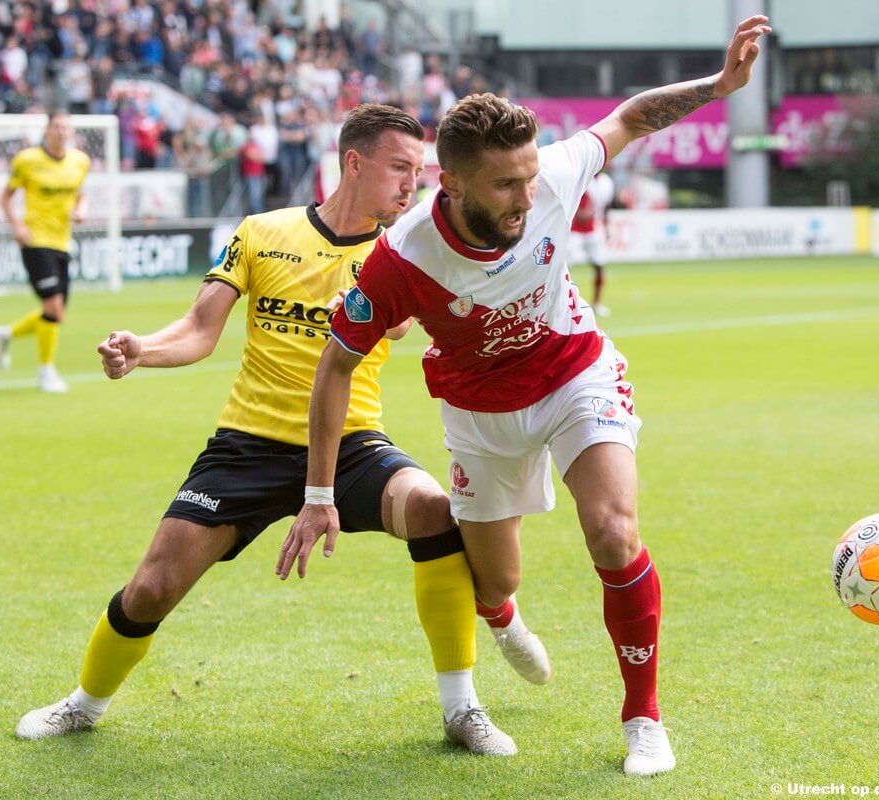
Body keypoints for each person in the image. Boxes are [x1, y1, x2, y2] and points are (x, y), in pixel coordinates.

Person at [282, 16, 772, 777]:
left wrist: (721, 86)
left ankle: (643, 716)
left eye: (529, 176)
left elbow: (632, 116)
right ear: (453, 182)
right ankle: (499, 613)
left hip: (575, 373)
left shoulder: (551, 173)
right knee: (498, 578)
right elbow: (335, 367)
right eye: (505, 185)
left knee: (613, 531)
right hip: (480, 413)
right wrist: (318, 493)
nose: (526, 195)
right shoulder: (399, 260)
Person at [14, 105, 548, 756]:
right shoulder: (261, 232)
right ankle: (83, 704)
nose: (415, 185)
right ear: (354, 163)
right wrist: (142, 349)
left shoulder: (402, 251)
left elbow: (403, 324)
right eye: (400, 168)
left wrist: (363, 310)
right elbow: (199, 330)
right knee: (152, 587)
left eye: (421, 172)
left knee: (433, 510)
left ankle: (461, 707)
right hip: (248, 444)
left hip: (352, 445)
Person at [0, 109, 89, 393]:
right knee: (53, 307)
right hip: (35, 240)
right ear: (47, 131)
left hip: (62, 242)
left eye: (65, 127)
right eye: (56, 126)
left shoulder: (79, 162)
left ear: (70, 133)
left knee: (56, 314)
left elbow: (81, 194)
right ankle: (46, 372)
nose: (61, 131)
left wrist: (81, 210)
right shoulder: (27, 160)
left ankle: (6, 333)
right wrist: (17, 226)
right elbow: (6, 197)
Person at [569, 170, 616, 316]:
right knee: (562, 267)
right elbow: (570, 201)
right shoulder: (581, 178)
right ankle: (564, 303)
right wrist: (579, 214)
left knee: (600, 265)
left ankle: (596, 303)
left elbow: (606, 207)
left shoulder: (607, 182)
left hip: (593, 229)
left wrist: (607, 227)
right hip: (574, 230)